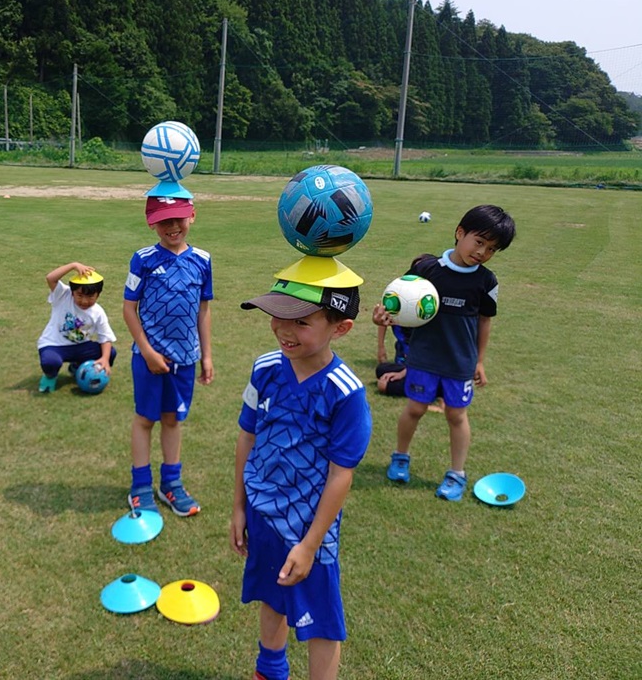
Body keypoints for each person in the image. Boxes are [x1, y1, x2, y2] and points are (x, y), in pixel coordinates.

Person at [231, 277, 371, 680]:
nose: (283, 329)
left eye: (302, 322)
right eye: (277, 315)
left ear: (340, 328)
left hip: (310, 529)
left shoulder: (345, 393)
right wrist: (239, 506)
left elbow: (341, 474)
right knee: (272, 594)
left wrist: (310, 545)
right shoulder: (265, 368)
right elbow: (247, 435)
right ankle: (270, 670)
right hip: (261, 511)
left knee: (322, 622)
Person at [374, 204, 516, 501]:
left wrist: (479, 360)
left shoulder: (486, 282)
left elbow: (484, 321)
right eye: (479, 242)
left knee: (456, 415)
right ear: (459, 233)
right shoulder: (426, 269)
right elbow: (396, 304)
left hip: (459, 362)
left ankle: (456, 474)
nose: (482, 252)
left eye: (491, 249)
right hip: (423, 358)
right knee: (414, 408)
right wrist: (382, 316)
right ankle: (400, 457)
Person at [123, 195, 213, 517]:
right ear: (152, 224)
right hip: (149, 359)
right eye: (164, 220)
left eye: (179, 219)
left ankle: (171, 485)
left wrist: (206, 355)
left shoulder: (203, 260)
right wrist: (146, 351)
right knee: (146, 419)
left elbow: (203, 311)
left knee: (173, 420)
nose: (172, 227)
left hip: (185, 359)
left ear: (192, 216)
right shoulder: (143, 259)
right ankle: (141, 486)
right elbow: (129, 309)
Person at [36, 261, 118, 393]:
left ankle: (78, 367)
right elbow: (50, 278)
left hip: (80, 346)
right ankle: (50, 376)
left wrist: (104, 359)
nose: (84, 301)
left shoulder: (98, 312)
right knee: (51, 362)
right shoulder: (63, 296)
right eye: (79, 295)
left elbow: (105, 337)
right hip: (54, 344)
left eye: (90, 297)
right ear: (72, 292)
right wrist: (73, 265)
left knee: (110, 353)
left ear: (98, 294)